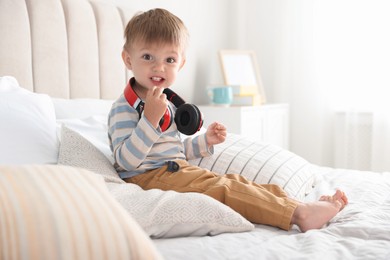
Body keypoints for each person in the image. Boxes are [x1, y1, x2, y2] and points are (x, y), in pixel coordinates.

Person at [108, 8, 348, 232]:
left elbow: (171, 151)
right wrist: (149, 120)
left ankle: (293, 203)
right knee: (225, 189)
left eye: (169, 60)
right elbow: (126, 161)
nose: (159, 67)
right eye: (148, 56)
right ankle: (299, 214)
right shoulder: (123, 108)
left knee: (236, 181)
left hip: (175, 169)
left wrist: (205, 142)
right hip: (149, 178)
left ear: (180, 63)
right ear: (128, 60)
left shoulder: (166, 102)